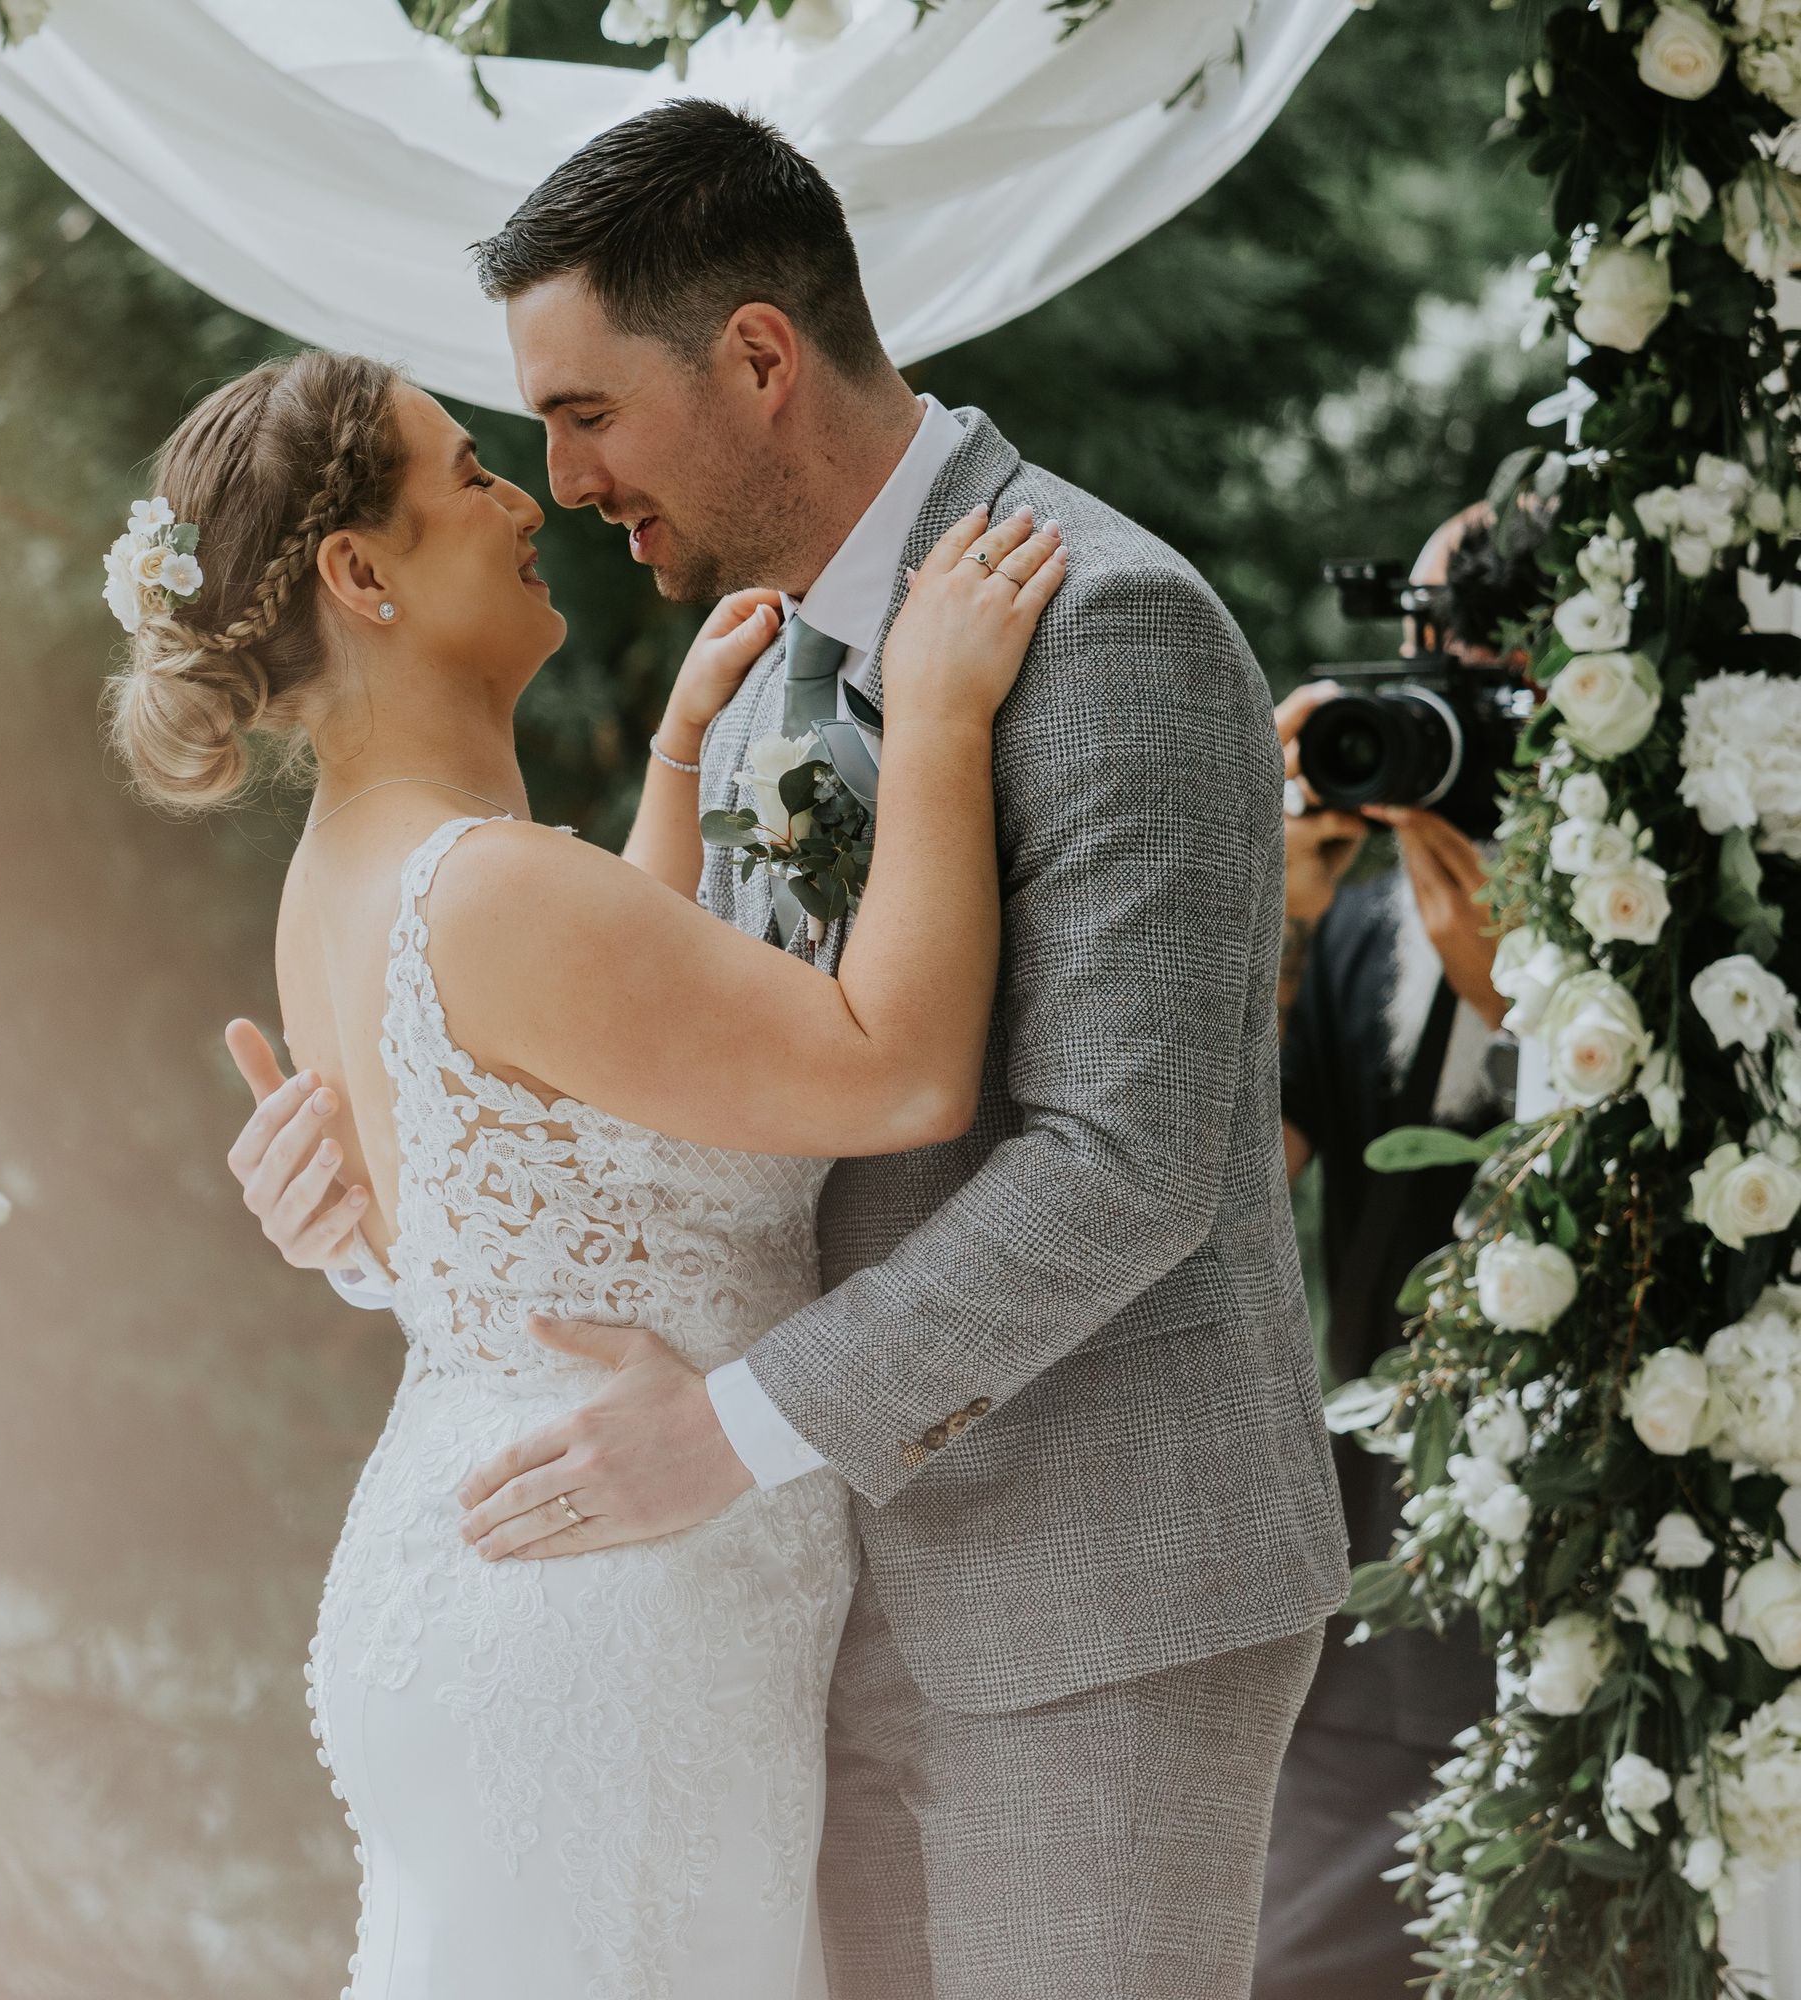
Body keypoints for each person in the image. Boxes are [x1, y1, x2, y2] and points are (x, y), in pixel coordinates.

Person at [218, 101, 1347, 1998]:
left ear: (755, 357)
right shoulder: (764, 672)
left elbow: (1124, 1170)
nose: (559, 479)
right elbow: (680, 1110)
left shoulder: (1104, 624)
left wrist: (725, 1439)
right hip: (795, 1610)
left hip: (1085, 1595)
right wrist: (382, 1213)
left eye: (583, 414)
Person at [112, 338, 1059, 1997]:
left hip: (487, 1563)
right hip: (604, 1625)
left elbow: (594, 1093)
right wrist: (941, 714)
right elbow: (895, 1069)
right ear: (359, 572)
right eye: (465, 476)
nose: (527, 497)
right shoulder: (487, 888)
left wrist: (681, 766)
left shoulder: (347, 875)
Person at [1255, 504, 1531, 2000]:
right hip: (1374, 1590)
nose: (1447, 691)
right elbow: (1232, 1191)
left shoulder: (1707, 917)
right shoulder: (1355, 928)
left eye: (1486, 657)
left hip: (1601, 1579)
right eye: (1423, 646)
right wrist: (1282, 910)